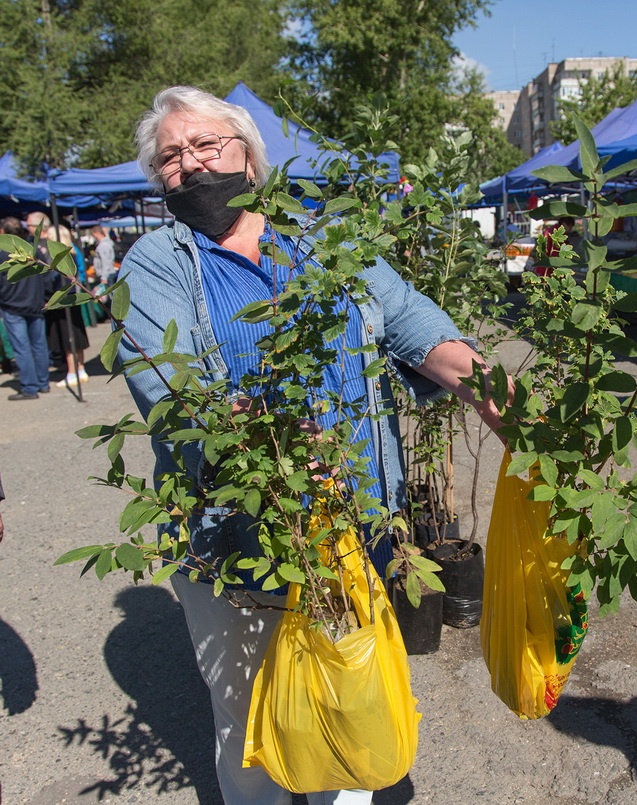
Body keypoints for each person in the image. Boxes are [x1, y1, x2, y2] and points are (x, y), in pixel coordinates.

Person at [120, 85, 507, 805]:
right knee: (250, 725)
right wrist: (271, 443)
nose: (191, 165)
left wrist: (520, 424)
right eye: (171, 156)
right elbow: (170, 386)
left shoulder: (324, 241)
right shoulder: (157, 261)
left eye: (207, 145)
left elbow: (421, 332)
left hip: (354, 525)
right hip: (238, 535)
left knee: (343, 699)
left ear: (249, 157)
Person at [0, 216, 50, 400]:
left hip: (12, 306)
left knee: (23, 348)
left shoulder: (2, 253)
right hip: (35, 304)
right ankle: (43, 383)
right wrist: (46, 297)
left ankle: (30, 387)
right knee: (38, 345)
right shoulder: (34, 251)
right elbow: (47, 276)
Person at [45, 224, 90, 388]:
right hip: (75, 297)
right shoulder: (74, 250)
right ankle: (81, 368)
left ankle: (72, 372)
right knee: (77, 334)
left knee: (67, 338)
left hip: (63, 299)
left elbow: (54, 281)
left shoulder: (58, 255)